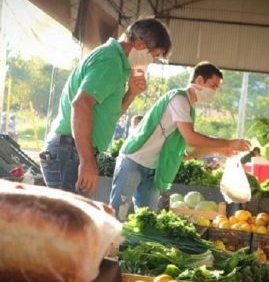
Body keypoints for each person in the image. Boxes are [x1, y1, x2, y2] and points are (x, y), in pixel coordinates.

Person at [40, 18, 172, 195]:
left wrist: (131, 93)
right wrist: (87, 161)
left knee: (75, 219)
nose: (151, 62)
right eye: (154, 56)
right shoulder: (110, 62)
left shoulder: (115, 62)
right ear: (140, 44)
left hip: (71, 151)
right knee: (68, 221)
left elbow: (109, 115)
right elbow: (81, 105)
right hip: (69, 152)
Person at [109, 62, 251, 221]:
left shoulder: (188, 109)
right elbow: (191, 137)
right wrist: (228, 143)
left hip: (154, 168)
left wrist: (219, 150)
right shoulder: (178, 99)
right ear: (199, 81)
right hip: (133, 160)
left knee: (146, 221)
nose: (214, 92)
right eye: (213, 86)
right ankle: (109, 246)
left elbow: (188, 150)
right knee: (117, 214)